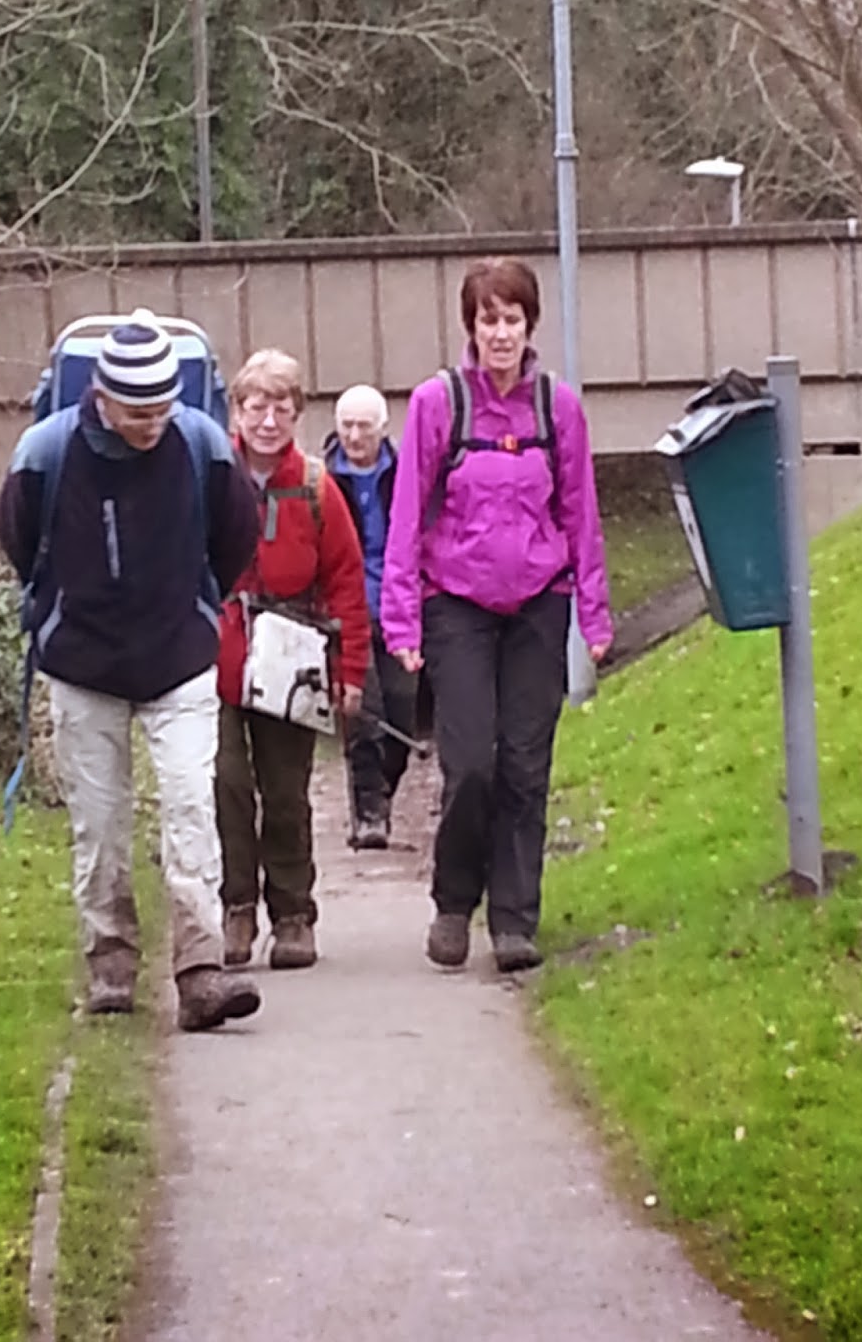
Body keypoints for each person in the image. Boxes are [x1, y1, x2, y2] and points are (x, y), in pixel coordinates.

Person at [0, 309, 263, 1032]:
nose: (154, 423)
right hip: (82, 664)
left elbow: (238, 530)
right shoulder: (46, 453)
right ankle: (111, 965)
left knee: (189, 811)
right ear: (102, 400)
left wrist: (200, 606)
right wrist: (60, 612)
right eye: (140, 411)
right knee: (101, 825)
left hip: (179, 658)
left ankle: (201, 969)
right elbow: (19, 539)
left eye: (164, 408)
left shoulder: (201, 444)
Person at [381, 257, 613, 974]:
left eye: (513, 319)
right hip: (457, 606)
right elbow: (407, 517)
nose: (501, 333)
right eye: (489, 320)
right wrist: (402, 624)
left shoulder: (558, 409)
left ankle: (514, 919)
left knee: (524, 765)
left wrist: (595, 618)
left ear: (529, 325)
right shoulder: (437, 404)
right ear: (471, 328)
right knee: (472, 762)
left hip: (539, 606)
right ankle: (455, 902)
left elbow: (581, 514)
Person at [215, 349, 370, 971]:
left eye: (282, 407)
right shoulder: (209, 477)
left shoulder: (315, 487)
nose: (269, 420)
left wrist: (350, 672)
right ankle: (235, 908)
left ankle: (293, 915)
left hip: (293, 657)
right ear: (238, 411)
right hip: (218, 657)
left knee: (285, 792)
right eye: (258, 406)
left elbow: (346, 583)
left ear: (298, 414)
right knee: (224, 784)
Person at [323, 383, 418, 851]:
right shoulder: (321, 480)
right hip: (345, 613)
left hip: (398, 609)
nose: (354, 435)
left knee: (403, 713)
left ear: (383, 428)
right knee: (365, 715)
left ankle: (381, 795)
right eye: (347, 425)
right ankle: (368, 814)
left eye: (364, 426)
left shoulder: (406, 475)